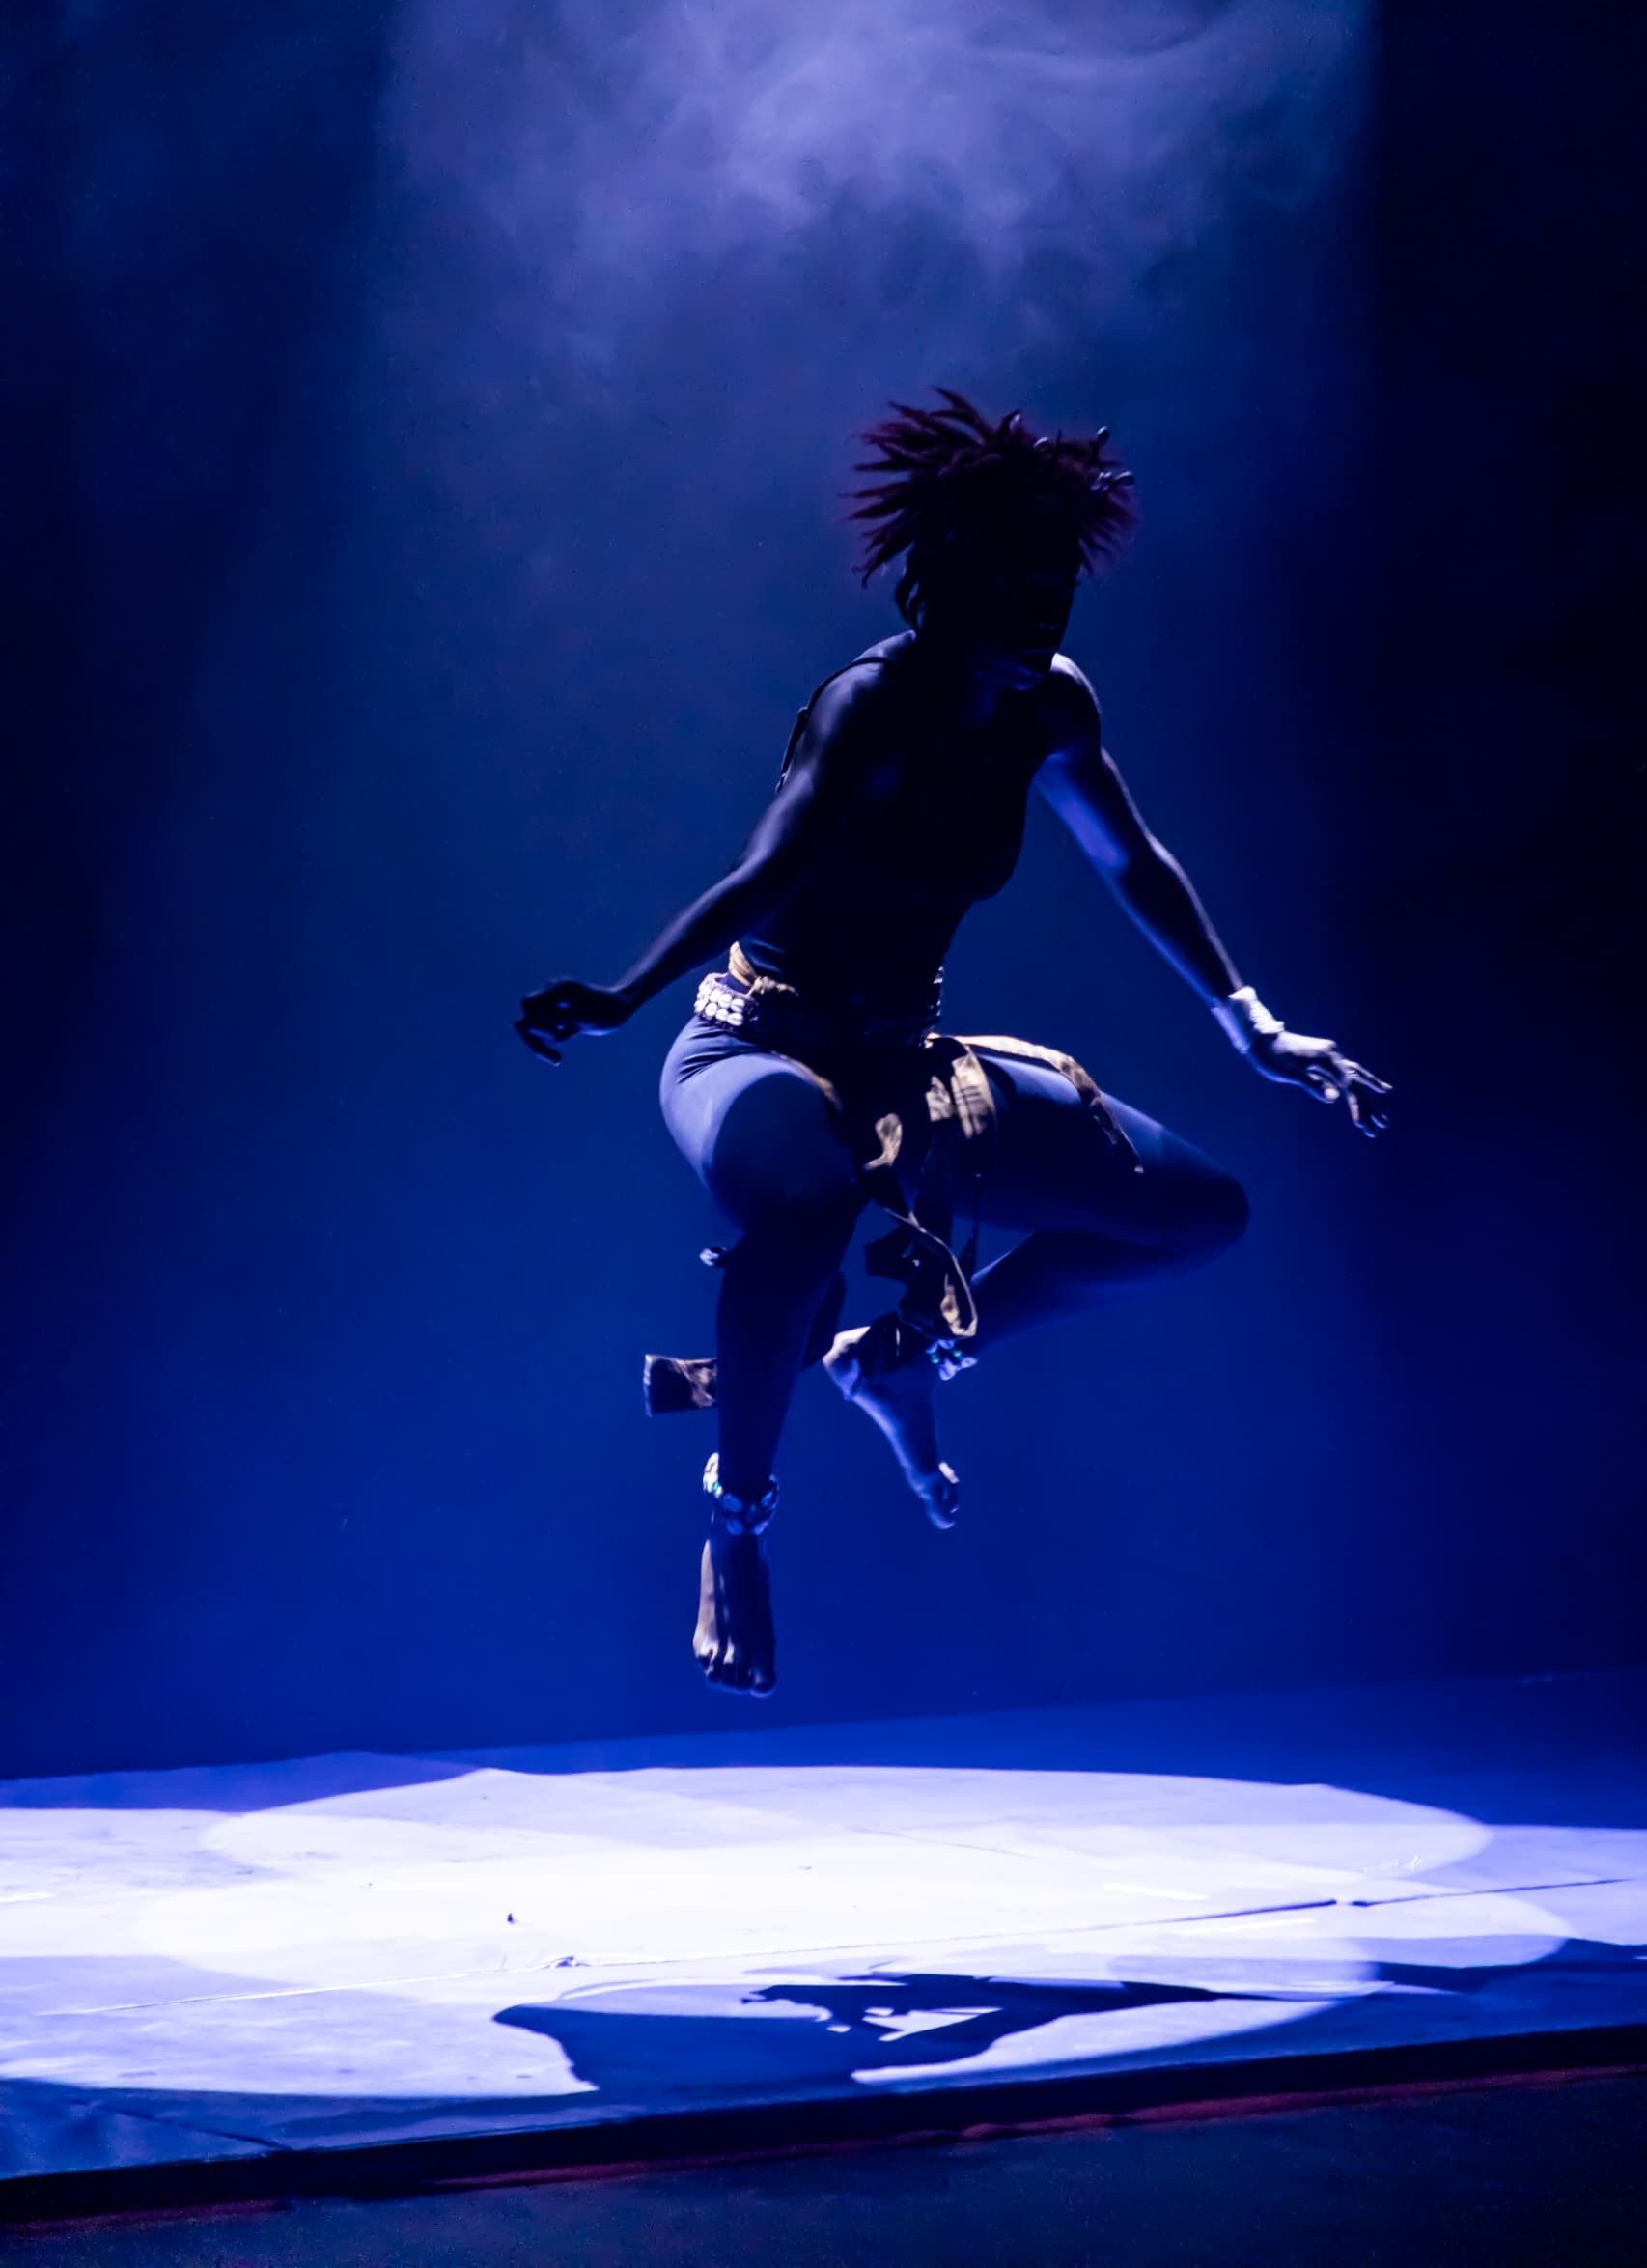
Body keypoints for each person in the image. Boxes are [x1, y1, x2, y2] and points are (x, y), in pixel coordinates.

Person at [516, 390, 1389, 1695]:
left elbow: (1132, 860)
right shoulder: (868, 707)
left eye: (1059, 586)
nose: (1042, 610)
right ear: (948, 578)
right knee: (805, 1217)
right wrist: (627, 993)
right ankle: (738, 1513)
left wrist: (1250, 1021)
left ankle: (898, 1358)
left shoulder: (1051, 710)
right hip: (751, 1050)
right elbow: (764, 875)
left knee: (1199, 1213)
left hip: (907, 1073)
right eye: (1014, 582)